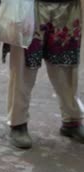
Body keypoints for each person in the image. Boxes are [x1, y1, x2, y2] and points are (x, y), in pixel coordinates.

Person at [6, 0, 84, 149]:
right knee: (24, 67)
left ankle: (72, 120)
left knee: (67, 66)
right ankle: (18, 122)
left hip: (68, 7)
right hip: (29, 6)